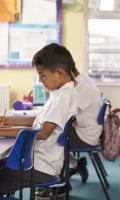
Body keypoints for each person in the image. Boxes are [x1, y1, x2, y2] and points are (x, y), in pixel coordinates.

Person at [0, 43, 77, 196]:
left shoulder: (63, 97)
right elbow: (40, 120)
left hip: (41, 167)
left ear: (59, 74)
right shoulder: (59, 92)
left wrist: (3, 131)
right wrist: (9, 120)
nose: (41, 81)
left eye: (42, 75)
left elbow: (43, 132)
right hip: (37, 162)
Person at [66, 66, 103, 184]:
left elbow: (67, 114)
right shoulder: (84, 80)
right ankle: (74, 165)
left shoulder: (82, 88)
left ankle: (62, 181)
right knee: (56, 134)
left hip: (86, 137)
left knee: (52, 138)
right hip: (89, 131)